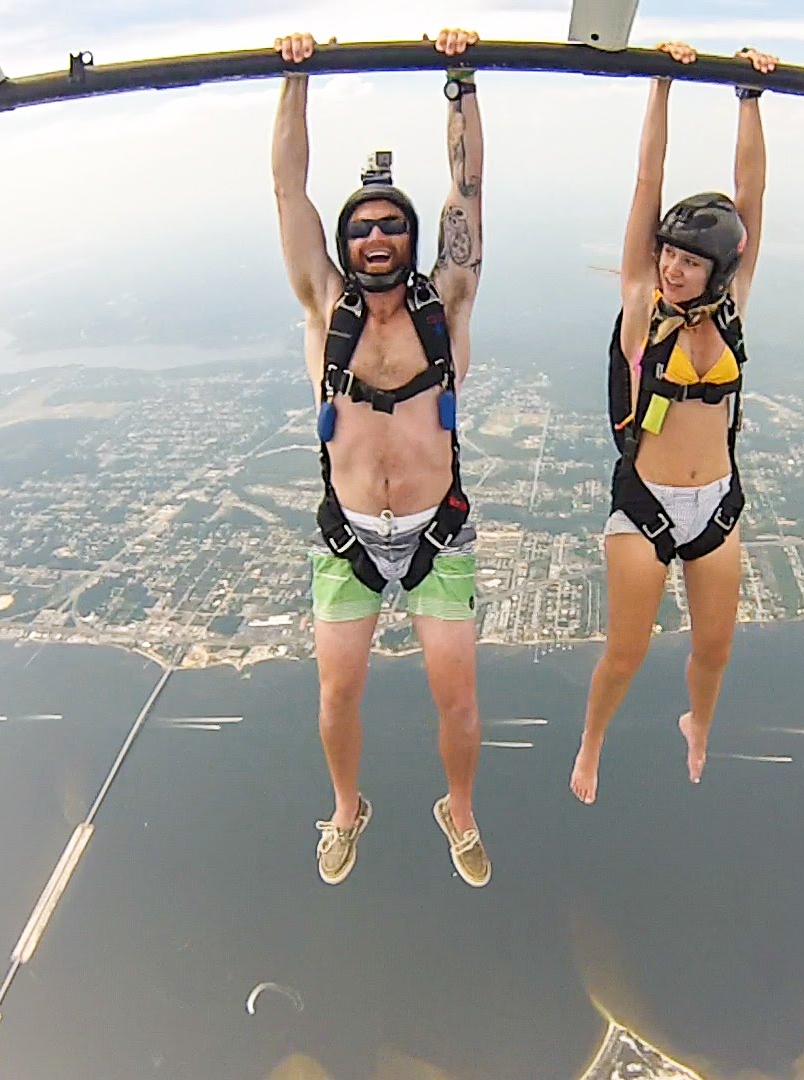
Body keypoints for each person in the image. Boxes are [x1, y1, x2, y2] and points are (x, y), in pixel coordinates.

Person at [271, 28, 491, 885]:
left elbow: (469, 188)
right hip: (350, 532)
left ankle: (460, 813)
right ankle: (344, 810)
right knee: (337, 698)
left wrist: (459, 80)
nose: (373, 239)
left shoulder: (451, 302)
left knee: (459, 701)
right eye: (359, 228)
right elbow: (287, 188)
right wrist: (296, 80)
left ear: (408, 238)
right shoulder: (325, 306)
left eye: (389, 228)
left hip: (439, 530)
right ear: (346, 239)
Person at [571, 41, 777, 805]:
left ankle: (699, 723)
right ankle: (591, 742)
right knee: (624, 654)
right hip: (648, 502)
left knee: (715, 652)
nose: (672, 268)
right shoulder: (640, 309)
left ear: (719, 270)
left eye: (690, 261)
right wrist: (661, 86)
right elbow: (645, 182)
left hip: (717, 501)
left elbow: (751, 199)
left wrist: (748, 98)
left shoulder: (731, 311)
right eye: (668, 254)